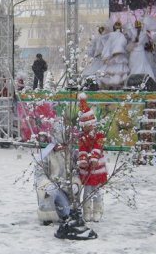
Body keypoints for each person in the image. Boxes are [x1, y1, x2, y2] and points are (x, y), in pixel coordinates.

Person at [33, 122, 98, 240]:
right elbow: (39, 174)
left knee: (68, 213)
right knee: (52, 194)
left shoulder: (71, 153)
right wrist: (47, 184)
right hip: (52, 190)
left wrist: (75, 182)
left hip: (66, 190)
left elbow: (75, 171)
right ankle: (48, 217)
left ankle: (66, 215)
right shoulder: (46, 154)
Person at [77, 93, 108, 222]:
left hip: (97, 166)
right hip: (87, 168)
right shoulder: (81, 137)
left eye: (87, 125)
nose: (85, 128)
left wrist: (94, 158)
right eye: (83, 125)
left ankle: (97, 210)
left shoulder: (99, 135)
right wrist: (83, 160)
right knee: (87, 190)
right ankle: (87, 211)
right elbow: (82, 149)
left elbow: (98, 146)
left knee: (97, 190)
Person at [100, 20, 129, 89]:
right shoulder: (122, 35)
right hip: (120, 56)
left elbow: (106, 42)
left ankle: (114, 85)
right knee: (121, 70)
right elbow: (124, 44)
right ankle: (118, 85)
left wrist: (106, 54)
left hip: (113, 56)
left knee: (113, 71)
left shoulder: (112, 34)